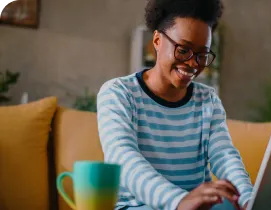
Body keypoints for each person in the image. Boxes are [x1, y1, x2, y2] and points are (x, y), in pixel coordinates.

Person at [97, 0, 253, 209]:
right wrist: (178, 201)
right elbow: (123, 158)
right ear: (157, 40)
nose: (193, 64)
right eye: (183, 50)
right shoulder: (119, 93)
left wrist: (247, 198)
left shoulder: (207, 101)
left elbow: (224, 156)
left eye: (202, 55)